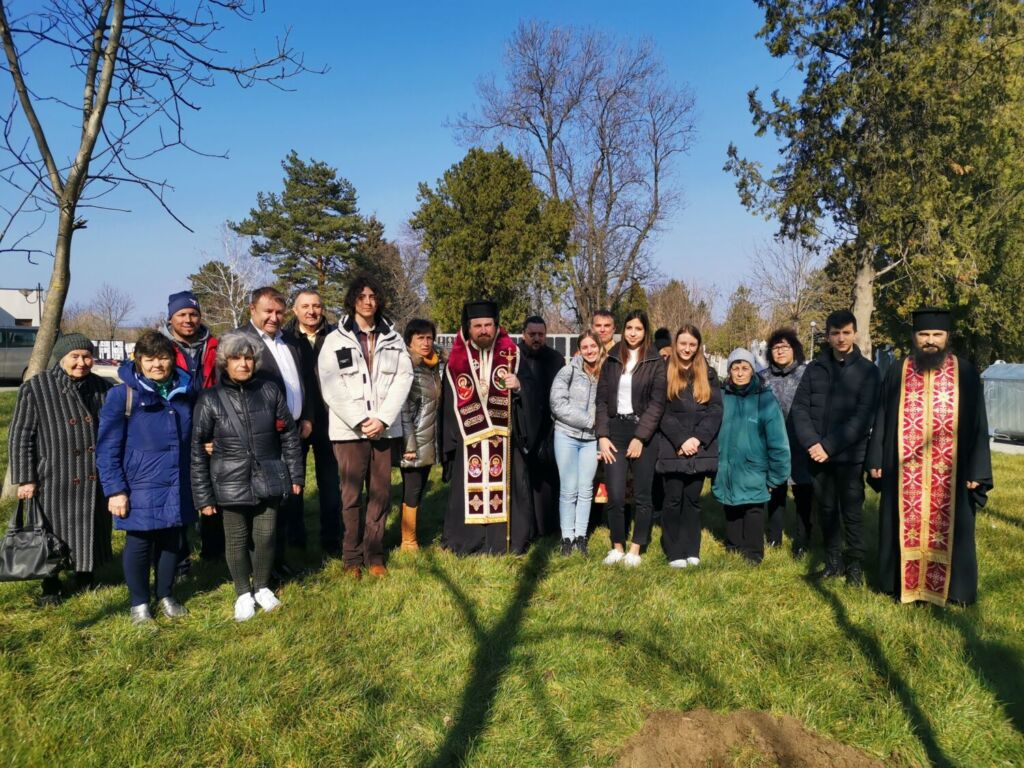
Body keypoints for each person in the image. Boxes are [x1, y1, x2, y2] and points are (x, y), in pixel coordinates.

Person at [867, 309, 993, 606]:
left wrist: (978, 468)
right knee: (900, 524)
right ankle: (901, 585)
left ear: (948, 337)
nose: (930, 341)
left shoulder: (966, 372)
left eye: (937, 335)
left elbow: (978, 424)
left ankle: (954, 591)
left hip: (953, 472)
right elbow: (882, 417)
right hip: (903, 471)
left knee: (954, 528)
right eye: (924, 335)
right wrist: (875, 460)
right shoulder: (898, 370)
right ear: (915, 337)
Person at [190, 332, 304, 620]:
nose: (243, 364)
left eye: (248, 358)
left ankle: (263, 586)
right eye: (236, 358)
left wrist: (296, 476)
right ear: (224, 363)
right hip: (229, 480)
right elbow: (196, 449)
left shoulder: (270, 391)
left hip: (269, 476)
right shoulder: (210, 399)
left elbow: (290, 435)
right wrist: (203, 496)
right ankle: (242, 592)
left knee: (266, 537)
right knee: (237, 539)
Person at [96, 331, 195, 625]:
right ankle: (139, 604)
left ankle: (165, 594)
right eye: (149, 359)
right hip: (138, 483)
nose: (157, 365)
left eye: (163, 358)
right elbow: (107, 448)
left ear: (172, 359)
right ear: (138, 361)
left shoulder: (186, 391)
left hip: (178, 480)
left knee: (171, 541)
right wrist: (115, 490)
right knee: (139, 543)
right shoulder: (122, 395)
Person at [318, 275, 413, 578]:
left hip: (384, 430)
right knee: (350, 497)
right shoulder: (335, 339)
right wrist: (360, 420)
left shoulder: (393, 338)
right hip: (349, 432)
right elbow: (331, 387)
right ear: (352, 301)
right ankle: (351, 558)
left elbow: (403, 378)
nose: (368, 302)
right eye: (362, 297)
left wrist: (382, 419)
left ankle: (374, 554)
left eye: (373, 296)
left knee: (380, 494)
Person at [8, 334, 113, 604]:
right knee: (50, 530)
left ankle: (85, 576)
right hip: (54, 475)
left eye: (87, 356)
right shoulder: (37, 388)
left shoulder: (103, 387)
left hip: (93, 474)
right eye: (75, 357)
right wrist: (25, 479)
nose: (82, 362)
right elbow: (20, 436)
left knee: (90, 527)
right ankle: (50, 584)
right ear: (61, 357)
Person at [791, 309, 880, 586]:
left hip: (849, 456)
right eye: (835, 333)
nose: (841, 338)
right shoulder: (815, 369)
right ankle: (833, 562)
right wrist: (812, 443)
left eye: (846, 332)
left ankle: (854, 565)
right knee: (826, 510)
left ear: (854, 334)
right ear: (827, 336)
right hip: (817, 456)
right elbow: (800, 409)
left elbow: (863, 418)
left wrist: (828, 446)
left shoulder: (868, 372)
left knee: (851, 512)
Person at [440, 299, 537, 555]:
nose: (483, 330)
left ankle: (502, 542)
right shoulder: (456, 361)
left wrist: (518, 386)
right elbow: (448, 406)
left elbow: (531, 394)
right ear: (468, 327)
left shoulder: (512, 355)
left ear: (496, 326)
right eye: (478, 326)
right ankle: (468, 540)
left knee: (509, 488)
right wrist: (451, 444)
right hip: (468, 438)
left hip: (505, 440)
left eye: (488, 325)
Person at [236, 287, 312, 578]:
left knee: (285, 500)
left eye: (279, 312)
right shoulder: (240, 341)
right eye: (267, 311)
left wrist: (306, 417)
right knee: (263, 503)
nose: (274, 317)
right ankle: (258, 569)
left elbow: (304, 383)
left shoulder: (291, 341)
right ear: (252, 310)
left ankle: (277, 561)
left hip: (293, 433)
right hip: (261, 437)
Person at [596, 310, 666, 567]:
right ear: (623, 330)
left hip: (643, 434)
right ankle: (617, 546)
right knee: (614, 495)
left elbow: (657, 404)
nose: (633, 333)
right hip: (615, 432)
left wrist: (641, 437)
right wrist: (602, 435)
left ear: (645, 331)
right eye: (629, 328)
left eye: (638, 328)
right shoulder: (612, 358)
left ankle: (636, 549)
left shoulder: (655, 361)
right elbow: (601, 400)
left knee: (642, 495)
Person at [713, 348, 790, 564]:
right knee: (731, 506)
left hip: (754, 468)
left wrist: (776, 476)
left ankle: (753, 553)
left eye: (744, 368)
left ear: (752, 371)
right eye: (735, 368)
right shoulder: (722, 397)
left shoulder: (765, 400)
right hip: (727, 466)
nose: (739, 373)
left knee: (753, 509)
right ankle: (733, 545)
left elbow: (778, 442)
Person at [161, 290, 221, 565]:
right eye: (182, 314)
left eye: (193, 314)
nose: (188, 319)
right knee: (179, 492)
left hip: (210, 425)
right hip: (174, 428)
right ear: (171, 317)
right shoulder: (160, 347)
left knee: (213, 486)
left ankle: (214, 550)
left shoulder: (216, 346)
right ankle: (180, 556)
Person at [656, 326, 722, 568]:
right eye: (683, 344)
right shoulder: (663, 372)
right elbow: (660, 410)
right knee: (673, 499)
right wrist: (681, 439)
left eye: (692, 345)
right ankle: (674, 551)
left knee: (692, 500)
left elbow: (715, 410)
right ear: (676, 345)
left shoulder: (709, 373)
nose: (687, 349)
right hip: (673, 448)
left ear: (698, 346)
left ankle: (691, 548)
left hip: (699, 448)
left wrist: (697, 438)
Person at [282, 289, 341, 557]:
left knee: (330, 484)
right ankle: (295, 538)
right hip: (296, 421)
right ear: (295, 310)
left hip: (330, 420)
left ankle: (332, 538)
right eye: (305, 306)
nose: (311, 311)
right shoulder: (284, 339)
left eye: (316, 305)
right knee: (294, 483)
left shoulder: (336, 336)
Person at [549, 330, 604, 555]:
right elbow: (558, 403)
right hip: (567, 436)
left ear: (600, 347)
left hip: (591, 440)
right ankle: (567, 537)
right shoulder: (568, 371)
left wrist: (600, 437)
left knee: (586, 489)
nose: (590, 351)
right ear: (579, 350)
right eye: (585, 347)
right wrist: (590, 421)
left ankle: (581, 536)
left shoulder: (606, 373)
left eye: (593, 346)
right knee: (568, 488)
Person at [759, 327, 813, 555]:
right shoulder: (762, 377)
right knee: (776, 490)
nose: (780, 351)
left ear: (795, 349)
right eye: (775, 347)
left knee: (803, 493)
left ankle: (803, 538)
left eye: (785, 347)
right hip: (773, 443)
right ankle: (774, 536)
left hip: (801, 442)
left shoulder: (807, 374)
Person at [398, 318, 444, 551]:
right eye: (420, 338)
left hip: (429, 438)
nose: (426, 343)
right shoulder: (408, 366)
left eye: (429, 338)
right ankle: (408, 541)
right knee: (412, 489)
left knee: (419, 488)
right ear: (410, 341)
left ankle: (408, 535)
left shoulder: (432, 365)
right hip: (414, 439)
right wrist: (409, 443)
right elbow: (403, 409)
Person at [518, 315, 565, 537]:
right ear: (523, 335)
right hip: (520, 428)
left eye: (541, 334)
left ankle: (548, 527)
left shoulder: (555, 359)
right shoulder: (513, 357)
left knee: (547, 481)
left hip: (548, 429)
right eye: (532, 334)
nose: (537, 339)